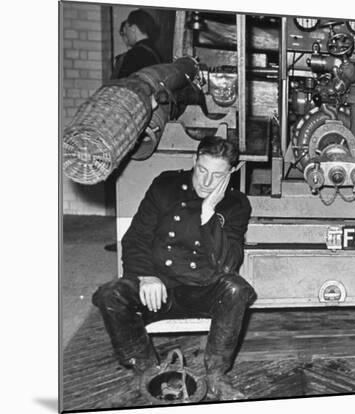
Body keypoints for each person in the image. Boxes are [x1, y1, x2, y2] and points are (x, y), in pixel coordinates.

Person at [92, 136, 256, 401]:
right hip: (158, 288)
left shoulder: (236, 204)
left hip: (201, 290)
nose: (205, 181)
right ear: (194, 161)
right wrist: (146, 276)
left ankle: (216, 376)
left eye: (216, 175)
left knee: (237, 289)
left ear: (231, 174)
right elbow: (136, 238)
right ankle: (145, 373)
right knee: (111, 294)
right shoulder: (165, 186)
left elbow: (228, 262)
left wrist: (208, 213)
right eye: (201, 170)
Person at [114, 8, 162, 79]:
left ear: (133, 28)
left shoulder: (132, 55)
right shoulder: (156, 52)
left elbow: (120, 86)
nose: (126, 34)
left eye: (126, 29)